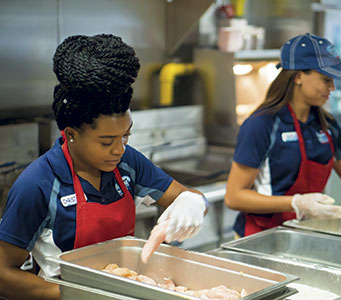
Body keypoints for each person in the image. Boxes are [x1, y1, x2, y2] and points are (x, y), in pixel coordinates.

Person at [0, 34, 208, 300]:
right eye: (106, 141)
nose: (119, 149)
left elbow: (188, 195)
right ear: (71, 134)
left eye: (126, 136)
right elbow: (4, 276)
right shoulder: (39, 183)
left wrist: (194, 203)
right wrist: (80, 295)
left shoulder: (128, 163)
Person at [225, 33, 341, 238]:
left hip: (306, 234)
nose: (332, 88)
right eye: (326, 79)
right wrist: (295, 203)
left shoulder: (327, 126)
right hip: (261, 237)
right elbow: (234, 196)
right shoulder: (262, 124)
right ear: (298, 76)